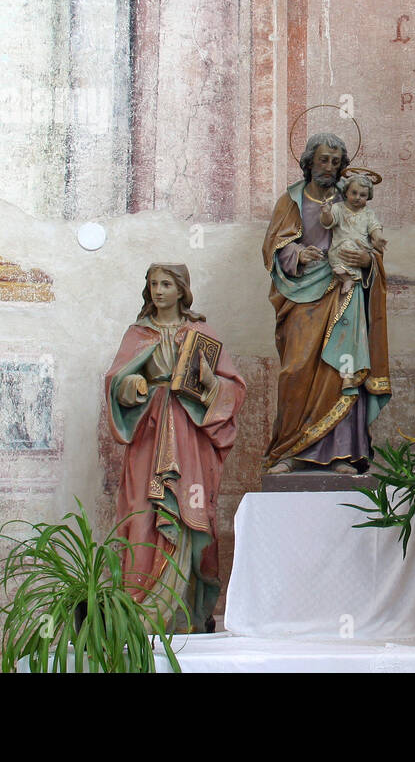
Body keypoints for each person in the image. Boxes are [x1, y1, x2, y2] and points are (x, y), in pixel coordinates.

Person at [104, 263, 245, 632]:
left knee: (188, 510)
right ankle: (140, 611)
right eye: (153, 284)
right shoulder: (138, 334)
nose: (158, 291)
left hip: (188, 435)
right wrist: (131, 385)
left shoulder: (199, 332)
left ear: (182, 290)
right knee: (143, 510)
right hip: (149, 434)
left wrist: (212, 383)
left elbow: (233, 387)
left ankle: (185, 613)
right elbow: (116, 379)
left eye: (166, 284)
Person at [261, 133, 392, 473]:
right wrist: (297, 253)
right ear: (308, 161)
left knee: (341, 370)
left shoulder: (352, 199)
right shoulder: (291, 200)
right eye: (323, 159)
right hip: (302, 295)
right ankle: (289, 451)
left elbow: (374, 247)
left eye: (336, 162)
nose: (329, 167)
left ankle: (341, 454)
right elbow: (272, 248)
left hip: (345, 291)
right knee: (296, 368)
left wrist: (367, 260)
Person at [321, 173, 387, 297]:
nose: (357, 197)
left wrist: (378, 238)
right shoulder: (338, 208)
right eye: (354, 193)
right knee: (338, 255)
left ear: (368, 197)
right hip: (339, 248)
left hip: (359, 249)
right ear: (346, 192)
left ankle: (350, 277)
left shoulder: (368, 213)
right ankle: (347, 278)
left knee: (351, 248)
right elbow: (328, 222)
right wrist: (326, 213)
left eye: (363, 195)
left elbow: (375, 227)